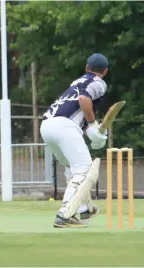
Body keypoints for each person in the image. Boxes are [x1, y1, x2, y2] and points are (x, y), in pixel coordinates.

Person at [40, 53, 109, 228]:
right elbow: (84, 99)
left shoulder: (77, 82)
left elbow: (79, 114)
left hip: (47, 126)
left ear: (87, 68)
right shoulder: (98, 83)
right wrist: (94, 124)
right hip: (65, 126)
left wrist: (91, 130)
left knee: (72, 169)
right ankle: (65, 213)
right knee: (84, 171)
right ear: (105, 71)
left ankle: (85, 208)